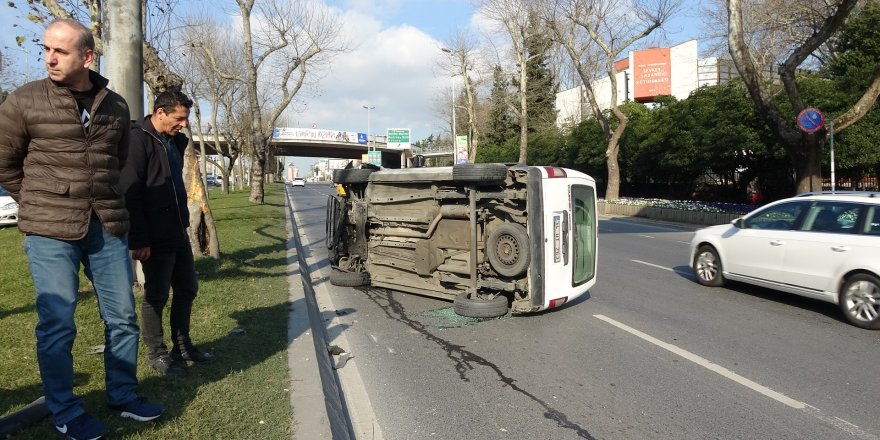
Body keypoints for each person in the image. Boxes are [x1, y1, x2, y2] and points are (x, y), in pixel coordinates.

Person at [0, 19, 162, 439]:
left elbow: (117, 164)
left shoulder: (116, 106)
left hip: (107, 226)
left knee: (123, 317)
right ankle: (64, 408)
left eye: (61, 51)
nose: (50, 58)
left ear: (87, 57)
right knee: (58, 322)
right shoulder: (24, 101)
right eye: (46, 49)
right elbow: (4, 163)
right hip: (49, 230)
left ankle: (123, 395)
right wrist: (38, 200)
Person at [120, 90, 214, 378]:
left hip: (177, 229)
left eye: (185, 118)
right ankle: (157, 353)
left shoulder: (174, 140)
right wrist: (139, 239)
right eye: (179, 118)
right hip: (152, 235)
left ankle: (182, 347)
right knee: (157, 295)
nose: (183, 124)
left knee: (187, 288)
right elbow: (130, 191)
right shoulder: (137, 139)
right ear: (160, 113)